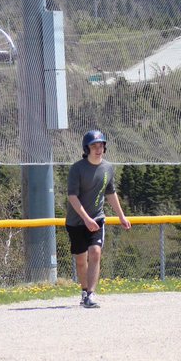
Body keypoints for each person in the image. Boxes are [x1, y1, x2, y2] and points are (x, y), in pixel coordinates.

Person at [66, 129, 131, 309]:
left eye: (101, 145)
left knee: (95, 252)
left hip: (98, 217)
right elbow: (72, 196)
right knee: (81, 260)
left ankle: (90, 294)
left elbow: (110, 192)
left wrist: (121, 216)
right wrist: (86, 219)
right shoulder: (77, 168)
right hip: (76, 220)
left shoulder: (108, 168)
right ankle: (84, 289)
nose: (98, 149)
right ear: (86, 148)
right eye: (94, 145)